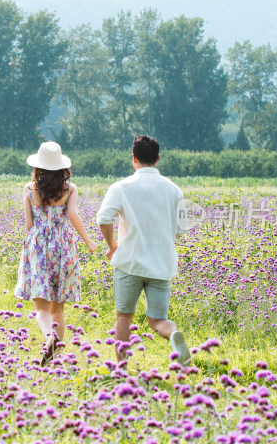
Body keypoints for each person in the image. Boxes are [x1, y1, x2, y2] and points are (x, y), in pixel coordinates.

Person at [96, 135, 191, 365]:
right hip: (161, 263)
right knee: (158, 320)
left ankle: (121, 368)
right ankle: (173, 334)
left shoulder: (121, 187)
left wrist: (112, 246)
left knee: (124, 317)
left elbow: (103, 218)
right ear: (157, 159)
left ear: (134, 158)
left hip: (130, 262)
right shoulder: (174, 190)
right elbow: (182, 229)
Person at [15, 142, 99, 366]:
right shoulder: (69, 189)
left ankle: (49, 338)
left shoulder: (29, 189)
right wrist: (89, 241)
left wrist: (36, 242)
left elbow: (28, 225)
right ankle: (55, 354)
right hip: (63, 244)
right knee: (58, 306)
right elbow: (72, 215)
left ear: (38, 167)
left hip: (38, 244)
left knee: (40, 305)